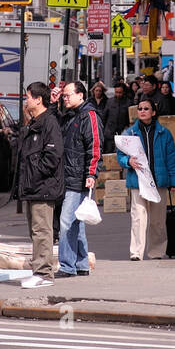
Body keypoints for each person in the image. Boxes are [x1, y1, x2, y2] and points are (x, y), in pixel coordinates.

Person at [116, 96, 175, 261]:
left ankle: (156, 251)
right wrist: (127, 161)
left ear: (154, 112)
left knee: (157, 220)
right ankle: (136, 252)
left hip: (159, 182)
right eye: (140, 109)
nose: (142, 111)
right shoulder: (129, 133)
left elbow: (171, 159)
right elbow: (120, 156)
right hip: (138, 182)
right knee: (138, 217)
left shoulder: (165, 133)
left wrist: (174, 181)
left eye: (146, 108)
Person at [15, 81, 64, 288]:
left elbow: (52, 156)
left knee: (42, 231)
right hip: (33, 186)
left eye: (28, 96)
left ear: (38, 99)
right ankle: (38, 270)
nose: (26, 100)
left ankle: (44, 273)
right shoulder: (35, 122)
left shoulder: (48, 123)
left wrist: (35, 175)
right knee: (36, 230)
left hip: (42, 187)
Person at [56, 81, 101, 279]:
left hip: (78, 177)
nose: (65, 98)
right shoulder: (71, 115)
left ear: (80, 95)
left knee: (66, 221)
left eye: (68, 95)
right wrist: (53, 102)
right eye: (64, 96)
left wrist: (91, 174)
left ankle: (67, 266)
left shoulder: (88, 115)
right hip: (71, 175)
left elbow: (95, 146)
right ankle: (82, 264)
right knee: (76, 222)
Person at [104, 80, 132, 153]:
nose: (118, 94)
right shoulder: (110, 101)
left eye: (120, 92)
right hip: (109, 134)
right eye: (116, 92)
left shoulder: (128, 103)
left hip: (122, 134)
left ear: (124, 92)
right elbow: (104, 116)